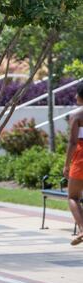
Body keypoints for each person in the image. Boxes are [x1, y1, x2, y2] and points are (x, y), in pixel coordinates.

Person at [65, 84, 83, 246]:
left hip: (81, 158)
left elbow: (72, 142)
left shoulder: (77, 114)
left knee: (73, 196)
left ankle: (82, 228)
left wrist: (66, 165)